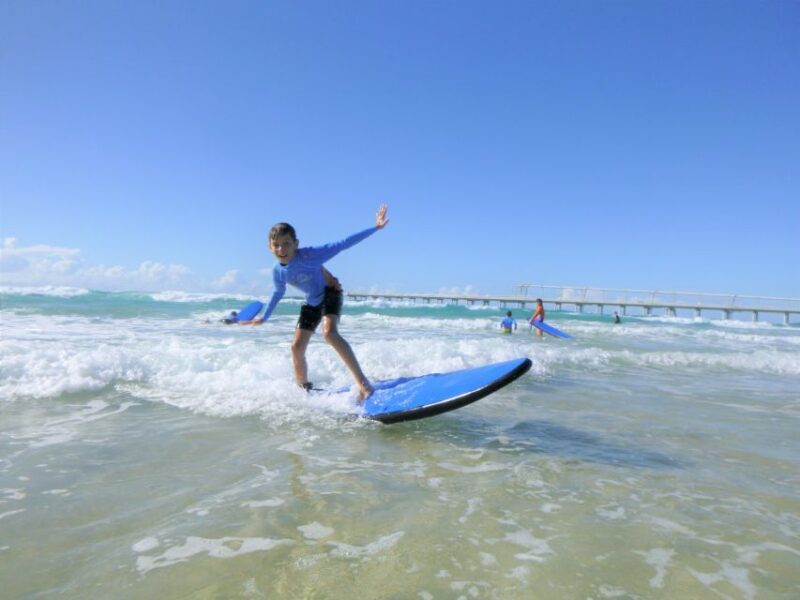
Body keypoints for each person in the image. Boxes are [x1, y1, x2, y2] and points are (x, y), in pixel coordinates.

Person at [252, 204, 390, 400]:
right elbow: (278, 292)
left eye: (286, 243)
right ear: (269, 247)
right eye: (276, 245)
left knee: (329, 333)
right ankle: (304, 390)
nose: (281, 249)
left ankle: (364, 385)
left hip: (330, 292)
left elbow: (342, 243)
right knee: (296, 347)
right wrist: (264, 317)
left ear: (296, 244)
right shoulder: (277, 270)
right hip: (312, 301)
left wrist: (375, 228)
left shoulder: (310, 255)